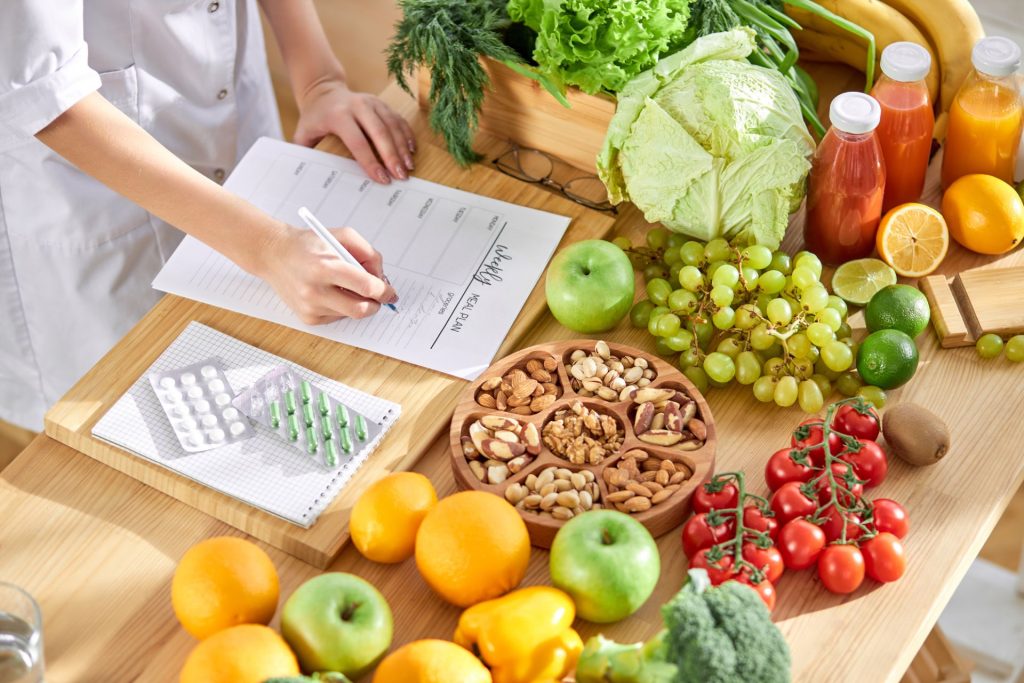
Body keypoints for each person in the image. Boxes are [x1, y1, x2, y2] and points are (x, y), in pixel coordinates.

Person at [0, 1, 413, 431]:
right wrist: (267, 246)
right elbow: (41, 89)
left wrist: (320, 81)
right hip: (92, 189)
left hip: (232, 110)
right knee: (136, 423)